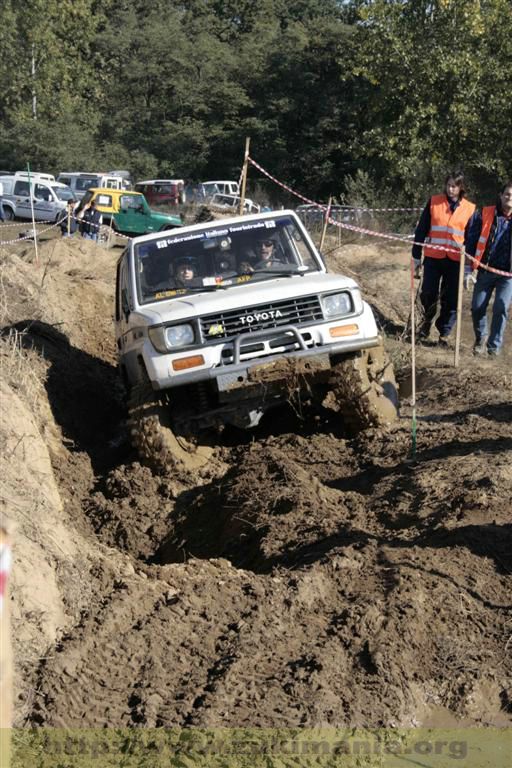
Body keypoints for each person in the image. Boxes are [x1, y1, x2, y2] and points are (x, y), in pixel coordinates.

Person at [412, 171, 477, 346]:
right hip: (433, 258)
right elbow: (421, 230)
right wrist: (416, 256)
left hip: (456, 261)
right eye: (448, 185)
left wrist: (470, 268)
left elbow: (472, 240)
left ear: (461, 187)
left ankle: (444, 333)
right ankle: (426, 322)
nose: (450, 189)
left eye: (454, 186)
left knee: (451, 298)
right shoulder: (434, 202)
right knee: (428, 293)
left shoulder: (470, 209)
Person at [465, 181, 512, 356]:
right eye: (507, 194)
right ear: (500, 196)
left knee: (501, 306)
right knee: (477, 307)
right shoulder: (485, 213)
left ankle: (494, 347)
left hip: (508, 274)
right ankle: (481, 337)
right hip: (485, 269)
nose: (509, 198)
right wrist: (468, 270)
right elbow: (471, 241)